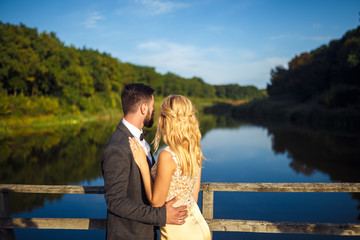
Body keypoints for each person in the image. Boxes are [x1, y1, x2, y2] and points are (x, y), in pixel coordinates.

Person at [101, 84, 188, 240]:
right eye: (152, 106)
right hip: (128, 235)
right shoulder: (117, 147)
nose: (154, 111)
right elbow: (115, 202)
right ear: (143, 108)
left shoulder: (138, 140)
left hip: (147, 233)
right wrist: (160, 215)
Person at [129, 95, 211, 240]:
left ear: (166, 119)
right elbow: (194, 195)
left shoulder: (167, 156)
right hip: (197, 224)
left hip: (178, 231)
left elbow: (156, 202)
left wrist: (142, 164)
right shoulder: (194, 150)